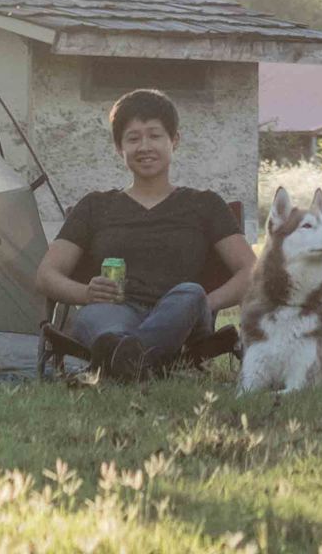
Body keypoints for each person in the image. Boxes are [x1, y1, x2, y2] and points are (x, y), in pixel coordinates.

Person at [32, 88, 254, 379]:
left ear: (174, 140)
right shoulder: (95, 206)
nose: (144, 146)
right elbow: (46, 274)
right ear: (119, 148)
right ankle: (136, 359)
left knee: (190, 292)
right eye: (133, 138)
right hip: (116, 311)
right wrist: (85, 292)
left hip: (182, 313)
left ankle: (122, 360)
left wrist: (206, 303)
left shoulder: (203, 204)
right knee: (95, 315)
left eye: (155, 135)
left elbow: (252, 271)